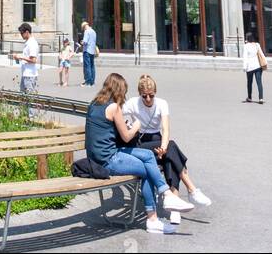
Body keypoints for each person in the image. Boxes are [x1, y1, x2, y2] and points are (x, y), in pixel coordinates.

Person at [85, 73, 194, 234]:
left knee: (148, 155)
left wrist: (124, 124)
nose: (124, 95)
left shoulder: (93, 104)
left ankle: (166, 195)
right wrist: (137, 125)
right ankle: (153, 218)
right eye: (124, 90)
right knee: (145, 169)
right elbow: (127, 136)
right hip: (108, 159)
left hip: (97, 156)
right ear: (118, 89)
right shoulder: (113, 107)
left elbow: (105, 130)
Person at [124, 74, 211, 207]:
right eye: (144, 96)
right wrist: (126, 124)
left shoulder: (161, 104)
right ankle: (191, 190)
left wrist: (163, 148)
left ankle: (174, 202)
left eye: (151, 95)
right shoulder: (132, 103)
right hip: (140, 142)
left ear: (155, 93)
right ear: (139, 94)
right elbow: (116, 114)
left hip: (157, 140)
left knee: (169, 156)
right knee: (171, 147)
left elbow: (165, 128)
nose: (148, 99)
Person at [15, 22, 40, 94]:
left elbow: (33, 60)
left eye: (22, 33)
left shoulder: (32, 43)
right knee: (23, 96)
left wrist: (21, 57)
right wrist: (18, 57)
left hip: (30, 75)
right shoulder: (28, 42)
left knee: (29, 98)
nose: (21, 35)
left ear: (27, 32)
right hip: (26, 73)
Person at [243, 31, 267, 103]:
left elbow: (245, 57)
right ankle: (261, 98)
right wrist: (265, 62)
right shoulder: (257, 45)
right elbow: (261, 54)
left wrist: (244, 67)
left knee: (249, 82)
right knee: (259, 82)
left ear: (247, 38)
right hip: (258, 66)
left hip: (250, 67)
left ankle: (249, 97)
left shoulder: (246, 46)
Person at [80, 20, 98, 86]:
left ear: (84, 26)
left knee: (87, 66)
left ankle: (88, 81)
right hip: (92, 51)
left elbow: (85, 41)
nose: (83, 29)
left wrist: (81, 42)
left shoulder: (87, 31)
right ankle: (92, 81)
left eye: (83, 28)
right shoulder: (93, 31)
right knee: (92, 66)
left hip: (87, 50)